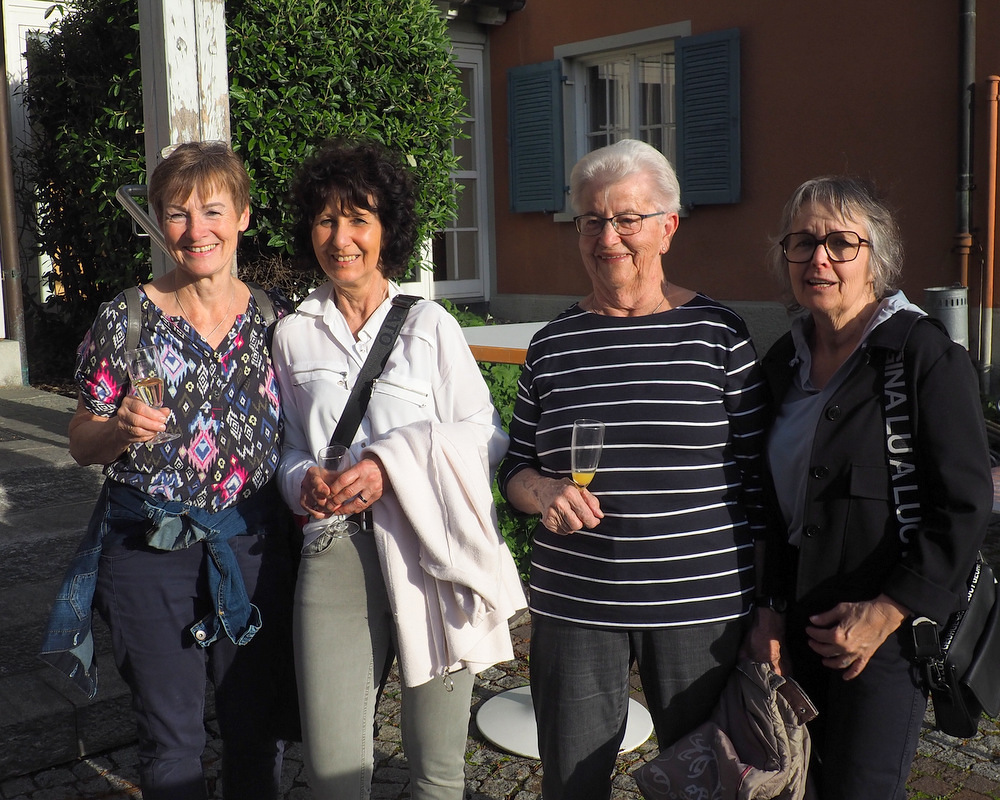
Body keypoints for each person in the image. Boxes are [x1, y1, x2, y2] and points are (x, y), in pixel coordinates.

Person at [497, 138, 769, 800]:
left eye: (627, 219)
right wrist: (543, 491)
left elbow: (760, 483)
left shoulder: (719, 337)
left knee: (704, 784)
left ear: (668, 227)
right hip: (577, 603)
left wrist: (769, 610)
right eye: (592, 220)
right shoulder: (553, 346)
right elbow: (515, 470)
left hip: (699, 606)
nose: (608, 237)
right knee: (573, 782)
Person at [39, 141, 297, 800]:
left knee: (255, 732)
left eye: (213, 211)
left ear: (242, 216)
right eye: (177, 213)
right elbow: (81, 443)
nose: (195, 230)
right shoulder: (125, 318)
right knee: (171, 740)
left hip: (253, 547)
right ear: (158, 221)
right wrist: (117, 428)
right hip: (146, 553)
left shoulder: (277, 320)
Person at [272, 138, 526, 800]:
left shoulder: (430, 325)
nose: (341, 238)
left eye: (359, 219)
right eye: (325, 220)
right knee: (333, 773)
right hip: (335, 551)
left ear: (387, 228)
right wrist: (303, 482)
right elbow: (290, 448)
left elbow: (487, 435)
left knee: (438, 773)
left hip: (429, 549)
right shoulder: (293, 333)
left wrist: (390, 464)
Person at [750, 176, 993, 799]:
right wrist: (770, 609)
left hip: (883, 635)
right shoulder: (781, 363)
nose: (819, 259)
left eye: (841, 243)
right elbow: (767, 501)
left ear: (876, 257)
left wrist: (887, 611)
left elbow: (964, 504)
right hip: (795, 624)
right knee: (791, 783)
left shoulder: (921, 355)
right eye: (802, 243)